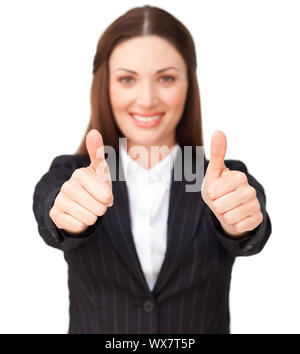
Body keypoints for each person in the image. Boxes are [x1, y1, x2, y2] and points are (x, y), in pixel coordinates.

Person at [32, 5, 272, 334]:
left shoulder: (221, 180)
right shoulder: (72, 175)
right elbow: (50, 210)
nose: (146, 99)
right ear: (106, 85)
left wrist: (239, 225)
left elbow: (251, 221)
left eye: (166, 78)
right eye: (127, 79)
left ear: (189, 84)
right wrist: (65, 214)